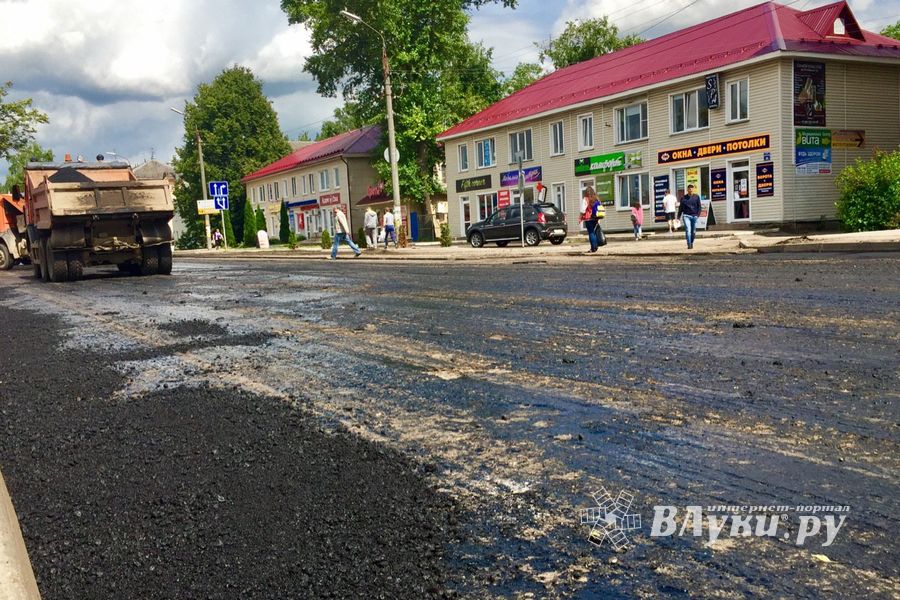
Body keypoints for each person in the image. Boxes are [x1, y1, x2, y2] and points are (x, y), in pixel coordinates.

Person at [677, 184, 701, 250]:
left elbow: (699, 207)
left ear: (693, 189)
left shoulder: (696, 197)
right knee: (688, 230)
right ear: (687, 190)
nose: (691, 190)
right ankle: (689, 244)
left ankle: (692, 242)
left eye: (692, 188)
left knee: (693, 231)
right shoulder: (683, 198)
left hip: (694, 216)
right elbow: (680, 208)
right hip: (686, 216)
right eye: (689, 189)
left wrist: (697, 215)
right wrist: (678, 217)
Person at [579, 186, 601, 253]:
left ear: (586, 193)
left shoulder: (586, 199)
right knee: (593, 232)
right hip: (595, 218)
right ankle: (595, 247)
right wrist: (599, 219)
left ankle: (593, 248)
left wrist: (580, 217)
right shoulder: (596, 198)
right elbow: (599, 208)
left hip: (588, 218)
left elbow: (583, 210)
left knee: (591, 233)